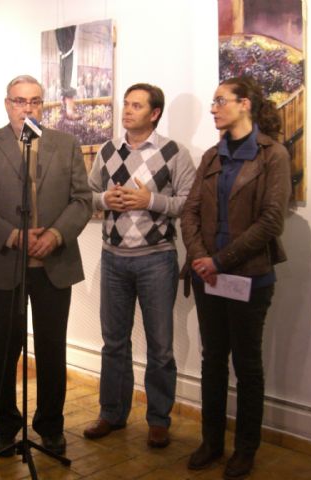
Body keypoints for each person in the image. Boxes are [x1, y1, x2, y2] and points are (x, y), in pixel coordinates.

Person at [0, 75, 92, 456]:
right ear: (7, 104)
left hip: (54, 265)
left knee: (52, 350)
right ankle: (5, 425)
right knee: (3, 351)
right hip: (3, 263)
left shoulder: (66, 145)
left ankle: (50, 426)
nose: (28, 108)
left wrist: (56, 235)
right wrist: (13, 235)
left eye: (35, 101)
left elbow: (82, 200)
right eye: (20, 101)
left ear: (43, 105)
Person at [181, 76, 290, 479]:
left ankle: (245, 449)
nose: (213, 108)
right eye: (213, 102)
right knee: (212, 361)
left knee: (247, 366)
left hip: (248, 277)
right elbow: (190, 211)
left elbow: (272, 220)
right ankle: (211, 442)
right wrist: (200, 258)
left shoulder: (272, 154)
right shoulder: (213, 155)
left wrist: (219, 261)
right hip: (207, 277)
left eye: (220, 100)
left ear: (244, 104)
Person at [84, 83, 196, 447]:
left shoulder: (174, 152)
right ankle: (111, 413)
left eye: (136, 106)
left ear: (155, 113)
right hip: (113, 259)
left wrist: (151, 201)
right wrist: (105, 199)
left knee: (160, 346)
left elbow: (189, 203)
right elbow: (86, 195)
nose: (127, 111)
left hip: (157, 259)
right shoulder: (107, 150)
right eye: (126, 104)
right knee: (113, 343)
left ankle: (158, 419)